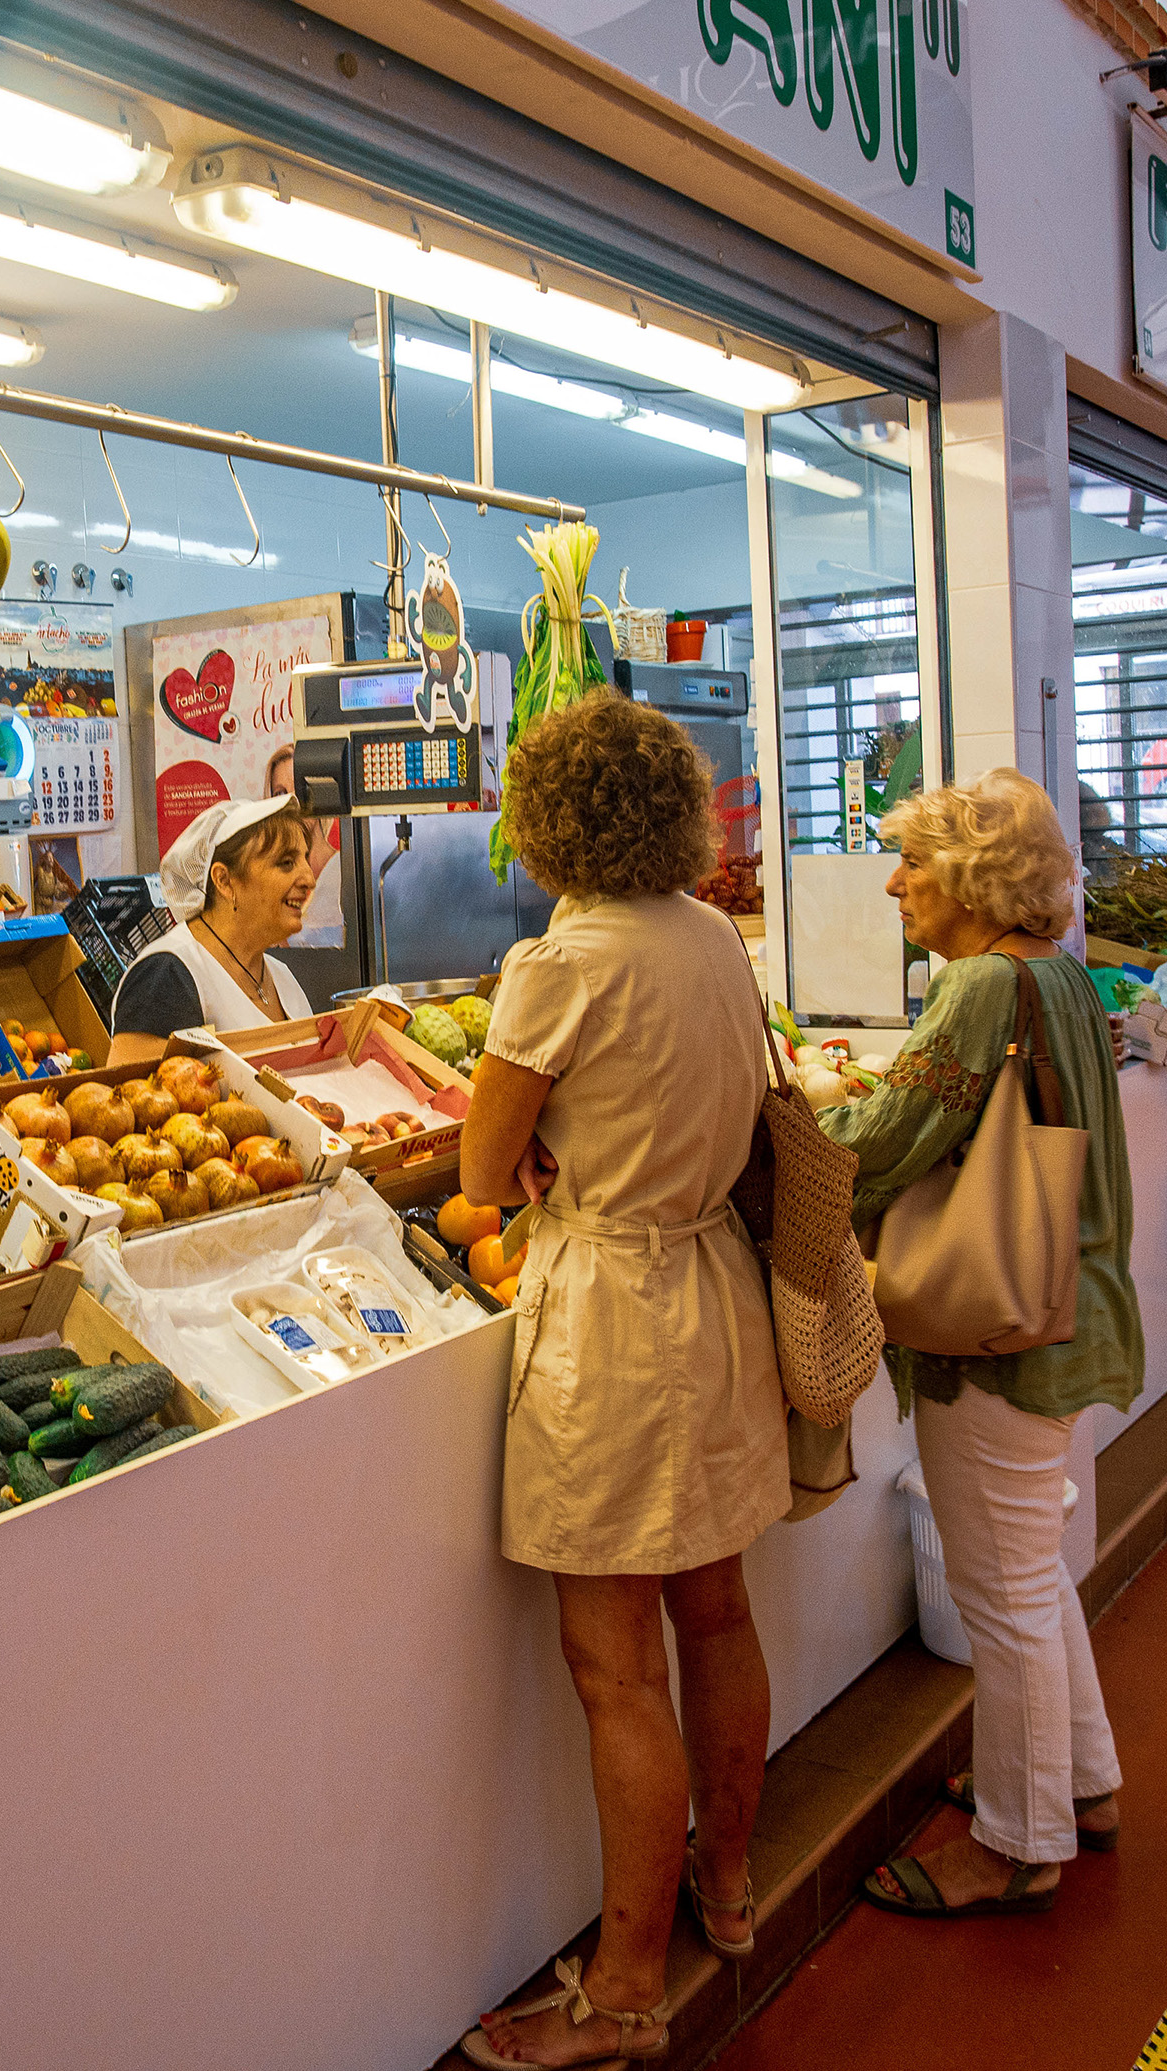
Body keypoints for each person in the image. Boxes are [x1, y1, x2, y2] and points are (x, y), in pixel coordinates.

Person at [455, 690, 779, 2070]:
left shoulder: (560, 959)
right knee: (715, 1609)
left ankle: (628, 1987)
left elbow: (478, 1171)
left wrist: (525, 1172)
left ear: (543, 819)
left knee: (614, 1665)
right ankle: (727, 1887)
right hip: (715, 1290)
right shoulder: (712, 933)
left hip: (608, 1313)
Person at [824, 769, 1142, 1921]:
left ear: (969, 878)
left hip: (996, 1333)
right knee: (1032, 1576)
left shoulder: (975, 990)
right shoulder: (1053, 974)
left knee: (1000, 1592)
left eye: (913, 860)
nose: (897, 880)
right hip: (1064, 1304)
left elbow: (888, 1137)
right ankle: (1082, 1781)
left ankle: (1017, 1842)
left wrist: (776, 1126)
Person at [103, 795, 313, 1064]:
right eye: (286, 863)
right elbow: (134, 1097)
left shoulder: (282, 978)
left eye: (306, 860)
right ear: (224, 881)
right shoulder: (166, 977)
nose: (309, 879)